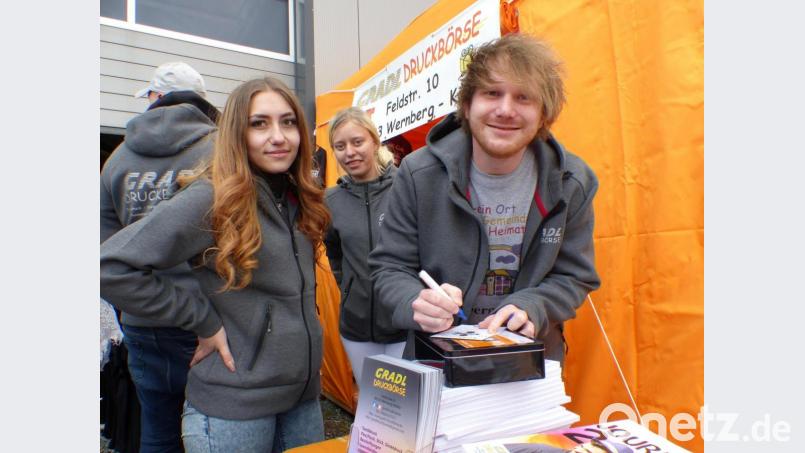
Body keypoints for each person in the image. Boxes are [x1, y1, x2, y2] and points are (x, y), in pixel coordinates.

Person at [101, 76, 330, 452]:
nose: (278, 136)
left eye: (288, 122)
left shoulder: (296, 196)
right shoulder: (213, 196)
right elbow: (109, 266)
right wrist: (201, 319)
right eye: (260, 123)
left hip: (302, 399)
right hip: (235, 405)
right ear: (236, 133)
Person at [368, 33, 600, 362]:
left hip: (531, 360)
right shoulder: (418, 174)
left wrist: (533, 306)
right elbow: (389, 268)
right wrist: (414, 301)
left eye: (524, 97)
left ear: (544, 114)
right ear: (467, 104)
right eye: (492, 93)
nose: (505, 110)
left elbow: (574, 276)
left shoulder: (572, 182)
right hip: (438, 357)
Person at [100, 61, 219, 453]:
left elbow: (103, 247)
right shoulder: (221, 150)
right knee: (210, 427)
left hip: (142, 318)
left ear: (154, 97)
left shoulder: (117, 159)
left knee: (157, 425)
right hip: (208, 321)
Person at [324, 107, 407, 387]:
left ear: (374, 141)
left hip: (403, 324)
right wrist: (347, 286)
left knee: (405, 410)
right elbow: (334, 251)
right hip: (357, 327)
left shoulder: (405, 188)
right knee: (374, 406)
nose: (350, 152)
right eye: (340, 146)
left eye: (357, 142)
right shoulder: (331, 200)